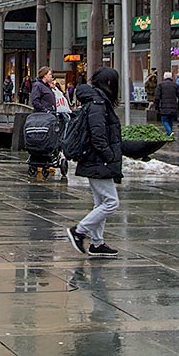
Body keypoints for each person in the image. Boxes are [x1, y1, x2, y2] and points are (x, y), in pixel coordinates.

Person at [65, 67, 124, 259]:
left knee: (101, 202)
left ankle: (97, 244)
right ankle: (79, 231)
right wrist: (109, 156)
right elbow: (98, 136)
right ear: (109, 83)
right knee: (112, 202)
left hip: (95, 159)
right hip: (98, 160)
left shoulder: (97, 101)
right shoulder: (98, 103)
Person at [154, 71, 179, 135]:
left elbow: (157, 97)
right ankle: (169, 134)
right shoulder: (175, 85)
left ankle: (170, 132)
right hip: (173, 106)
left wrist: (156, 106)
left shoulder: (160, 85)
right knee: (170, 121)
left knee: (164, 121)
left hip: (164, 106)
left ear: (164, 77)